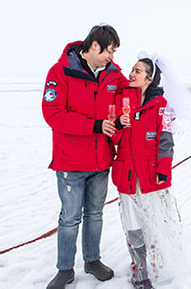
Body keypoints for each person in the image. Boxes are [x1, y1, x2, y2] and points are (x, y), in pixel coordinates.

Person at [42, 24, 129, 289]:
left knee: (94, 214)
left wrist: (149, 90)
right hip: (70, 161)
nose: (111, 57)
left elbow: (130, 95)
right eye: (109, 51)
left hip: (101, 160)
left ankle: (92, 260)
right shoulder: (60, 72)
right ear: (94, 46)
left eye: (114, 52)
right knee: (70, 217)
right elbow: (53, 113)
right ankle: (65, 269)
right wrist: (94, 125)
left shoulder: (114, 75)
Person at [112, 55, 184, 289]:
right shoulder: (121, 101)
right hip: (127, 176)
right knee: (133, 226)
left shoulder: (163, 105)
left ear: (149, 79)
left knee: (154, 224)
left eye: (138, 71)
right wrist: (120, 124)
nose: (131, 74)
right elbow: (112, 136)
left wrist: (163, 170)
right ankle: (139, 271)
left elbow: (166, 141)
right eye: (132, 69)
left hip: (151, 177)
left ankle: (159, 265)